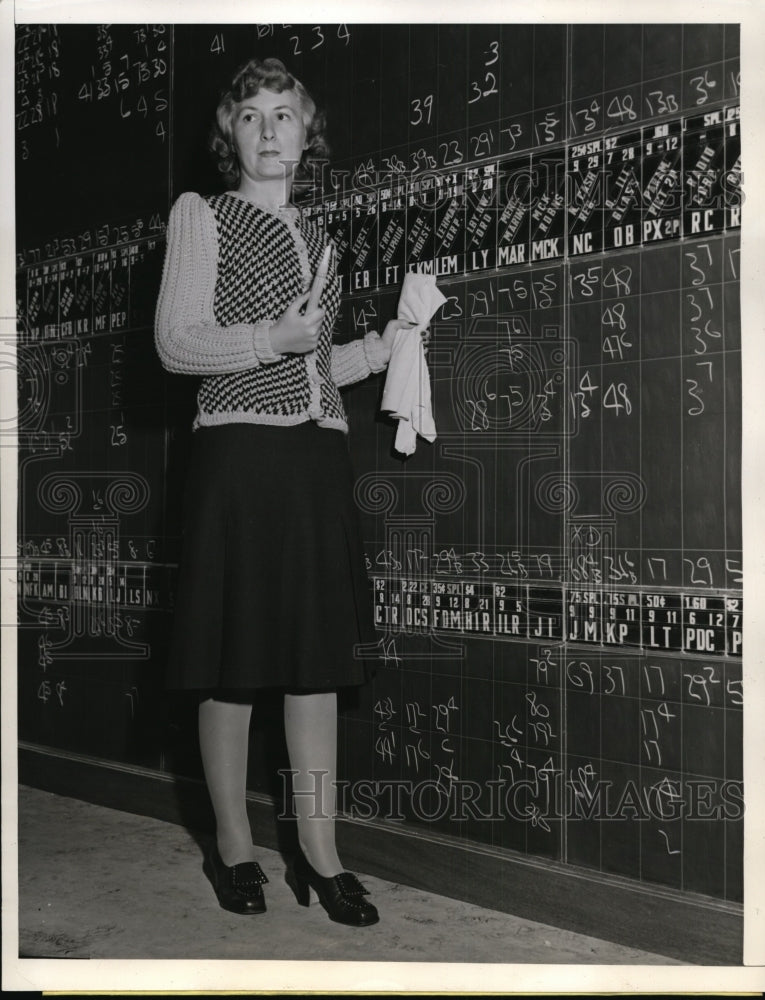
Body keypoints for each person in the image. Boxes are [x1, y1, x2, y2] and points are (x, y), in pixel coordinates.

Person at [154, 57, 416, 927]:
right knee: (232, 667)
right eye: (251, 116)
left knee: (313, 666)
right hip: (237, 459)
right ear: (229, 136)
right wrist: (274, 335)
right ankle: (233, 844)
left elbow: (313, 369)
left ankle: (319, 851)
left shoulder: (322, 239)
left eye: (285, 116)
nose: (270, 131)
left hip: (314, 464)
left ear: (310, 134)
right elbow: (177, 345)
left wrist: (373, 353)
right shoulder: (202, 216)